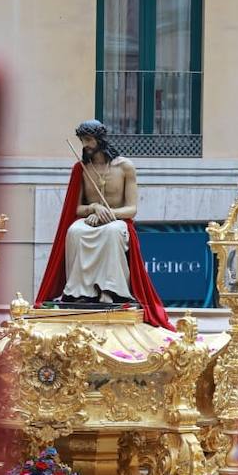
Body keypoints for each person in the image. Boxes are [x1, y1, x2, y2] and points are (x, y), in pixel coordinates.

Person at [33, 120, 172, 329]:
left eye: (89, 140)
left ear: (100, 139)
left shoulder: (125, 167)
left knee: (112, 232)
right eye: (82, 140)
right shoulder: (81, 169)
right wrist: (94, 208)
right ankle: (79, 292)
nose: (86, 144)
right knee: (75, 231)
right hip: (90, 220)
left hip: (117, 222)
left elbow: (132, 209)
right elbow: (76, 209)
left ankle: (111, 291)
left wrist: (110, 214)